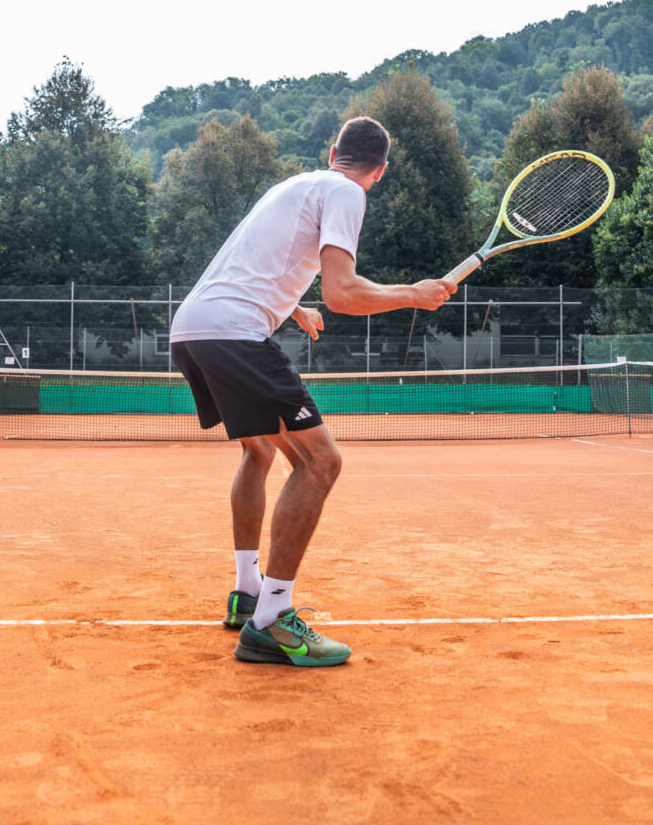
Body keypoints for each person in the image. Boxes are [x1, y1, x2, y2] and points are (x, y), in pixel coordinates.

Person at [169, 116, 456, 668]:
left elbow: (256, 260)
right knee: (321, 462)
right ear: (380, 171)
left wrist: (292, 306)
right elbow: (344, 292)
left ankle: (248, 591)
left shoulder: (295, 185)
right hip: (234, 332)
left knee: (260, 449)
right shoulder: (349, 191)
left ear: (332, 151)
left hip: (194, 327)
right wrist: (413, 295)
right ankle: (273, 619)